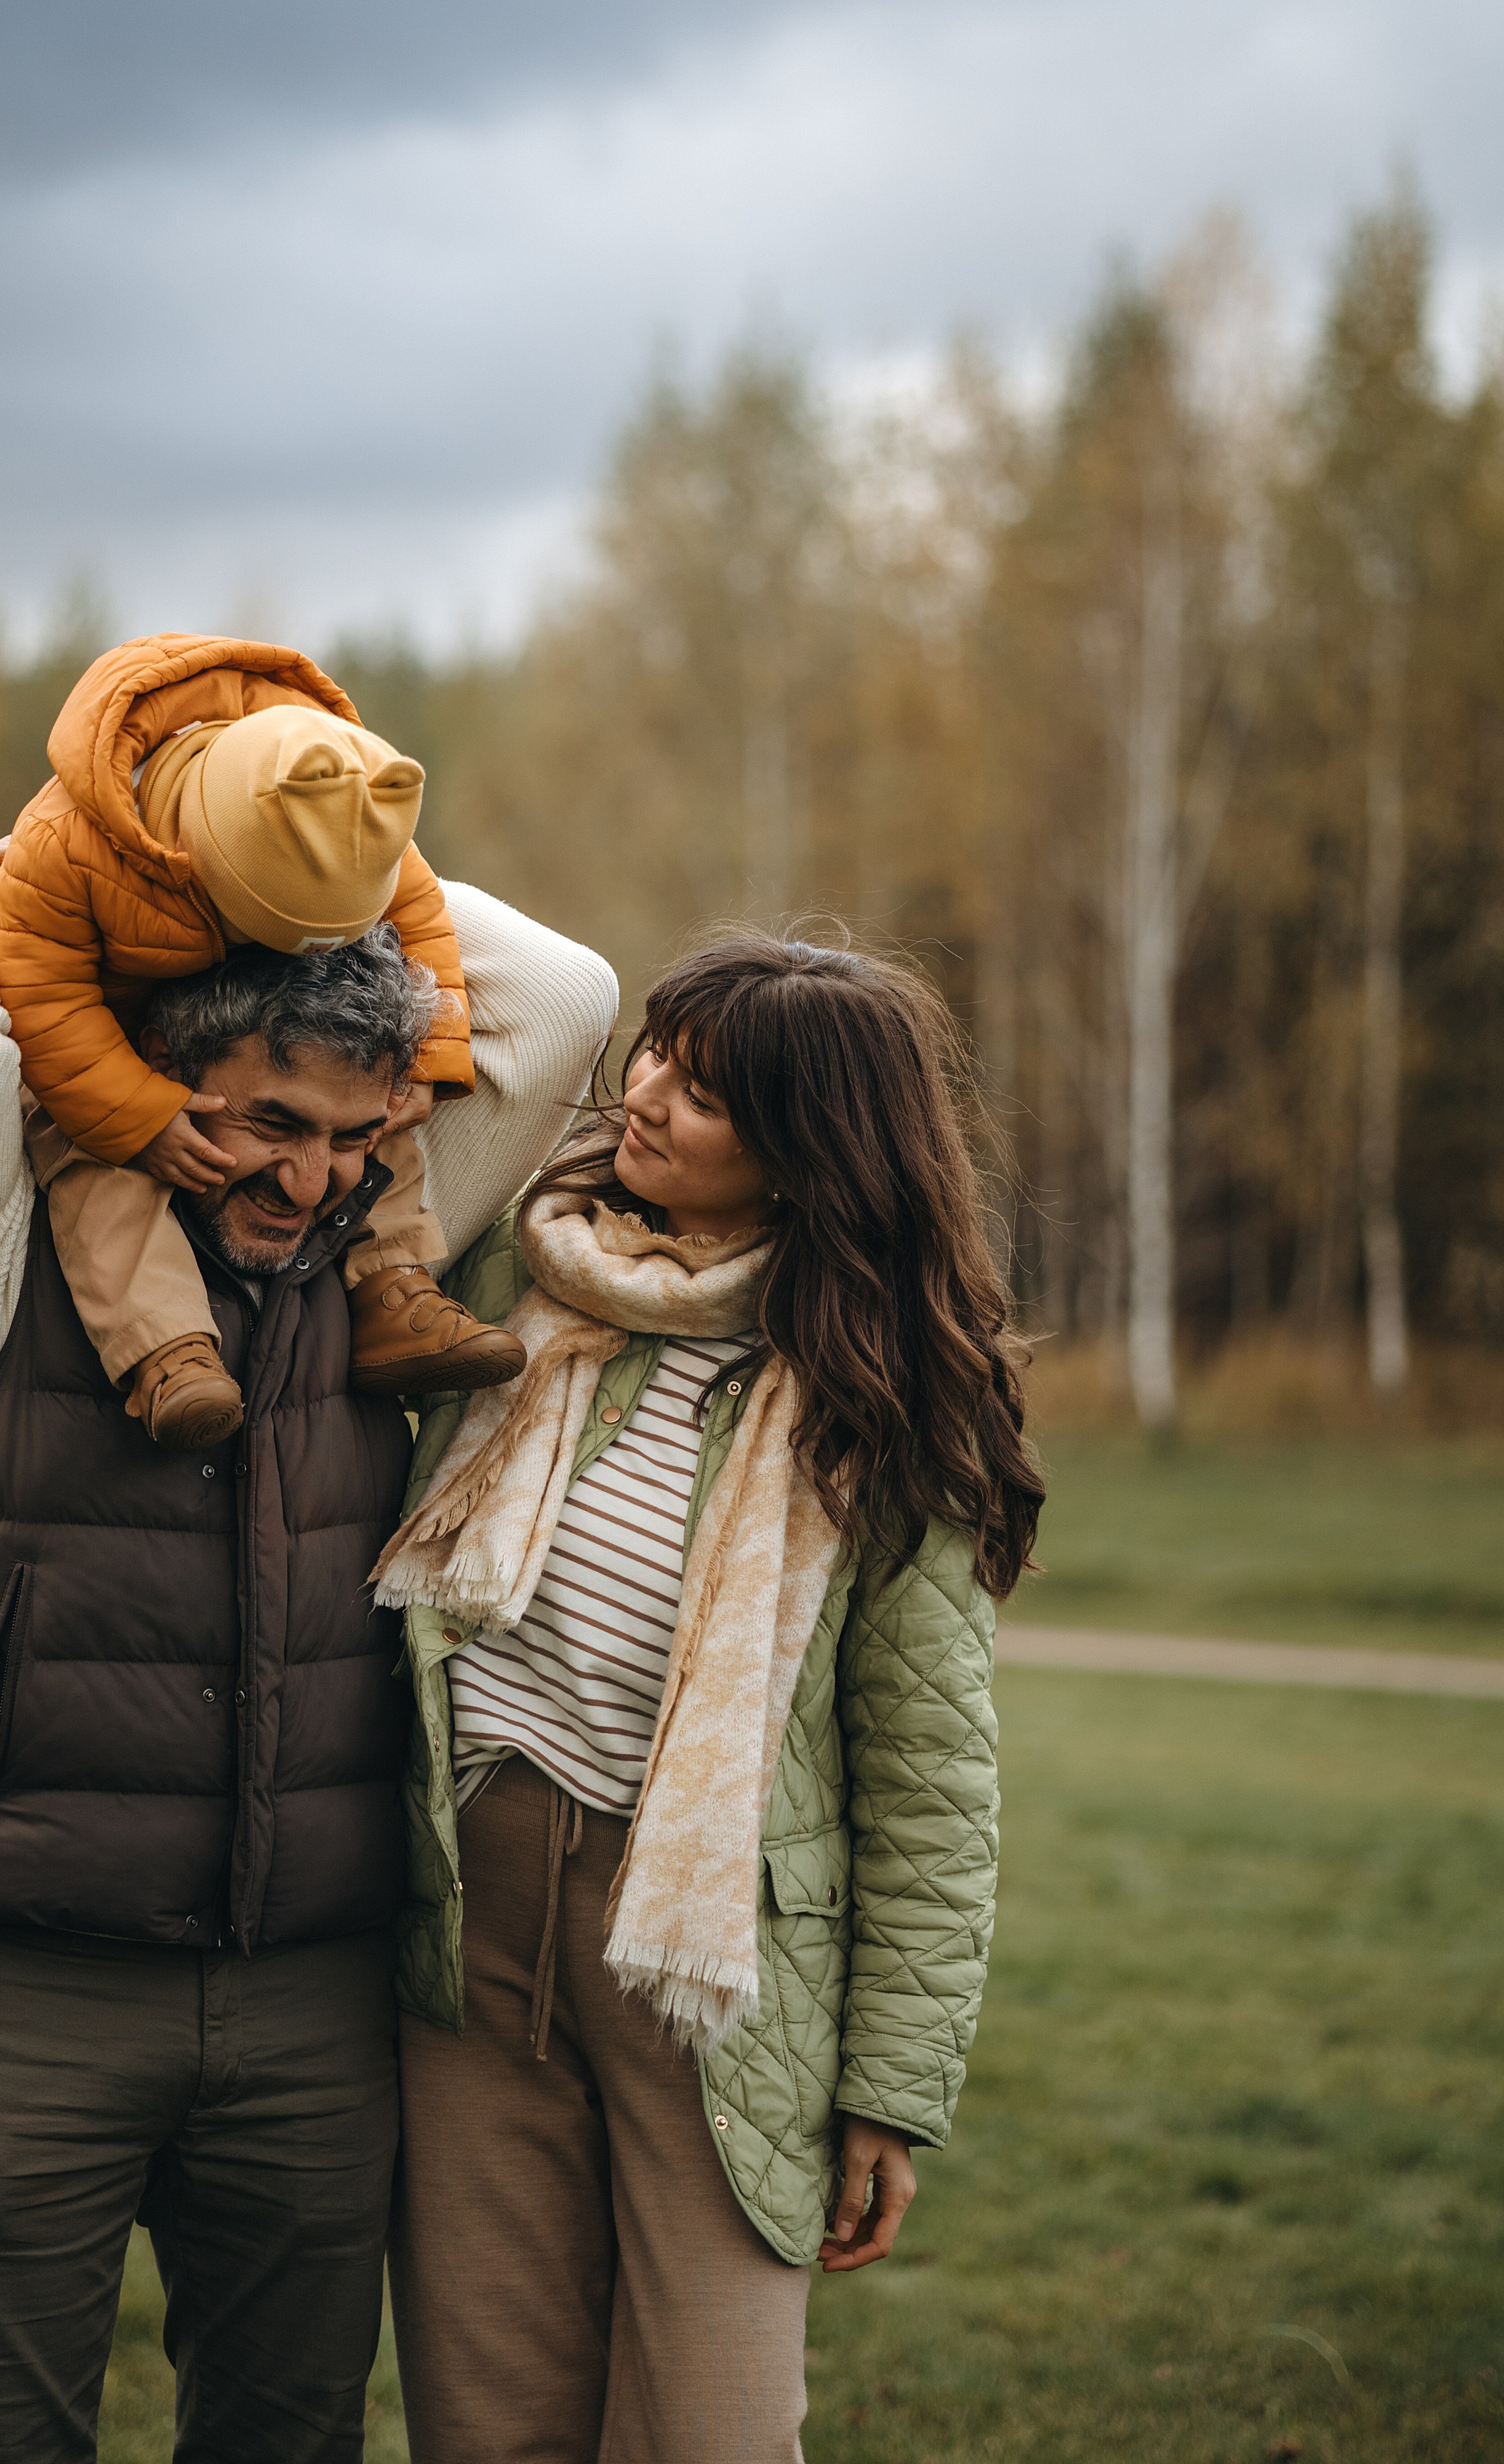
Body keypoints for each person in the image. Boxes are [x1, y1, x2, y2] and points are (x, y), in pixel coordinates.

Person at [0, 839, 616, 2464]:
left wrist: (306, 849)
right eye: (264, 1120)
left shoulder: (370, 1255)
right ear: (149, 1083)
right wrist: (79, 854)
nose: (308, 1177)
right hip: (26, 1977)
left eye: (346, 1134)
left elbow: (567, 998)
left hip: (309, 1994)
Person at [374, 935, 1043, 2464]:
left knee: (714, 2432)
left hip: (709, 1976)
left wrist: (887, 2090)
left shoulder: (882, 1396)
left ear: (813, 1152)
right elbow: (520, 975)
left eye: (712, 1089)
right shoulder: (517, 1263)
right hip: (468, 1925)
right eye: (657, 1052)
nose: (649, 1097)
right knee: (489, 2422)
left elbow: (932, 1782)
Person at [0, 629, 529, 1450]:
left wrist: (431, 1057)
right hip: (106, 1049)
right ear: (207, 861)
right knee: (97, 1163)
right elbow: (41, 995)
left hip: (267, 1039)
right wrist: (133, 1112)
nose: (307, 1183)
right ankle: (166, 1351)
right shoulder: (66, 847)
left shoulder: (348, 813)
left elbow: (422, 922)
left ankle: (393, 1292)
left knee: (370, 1109)